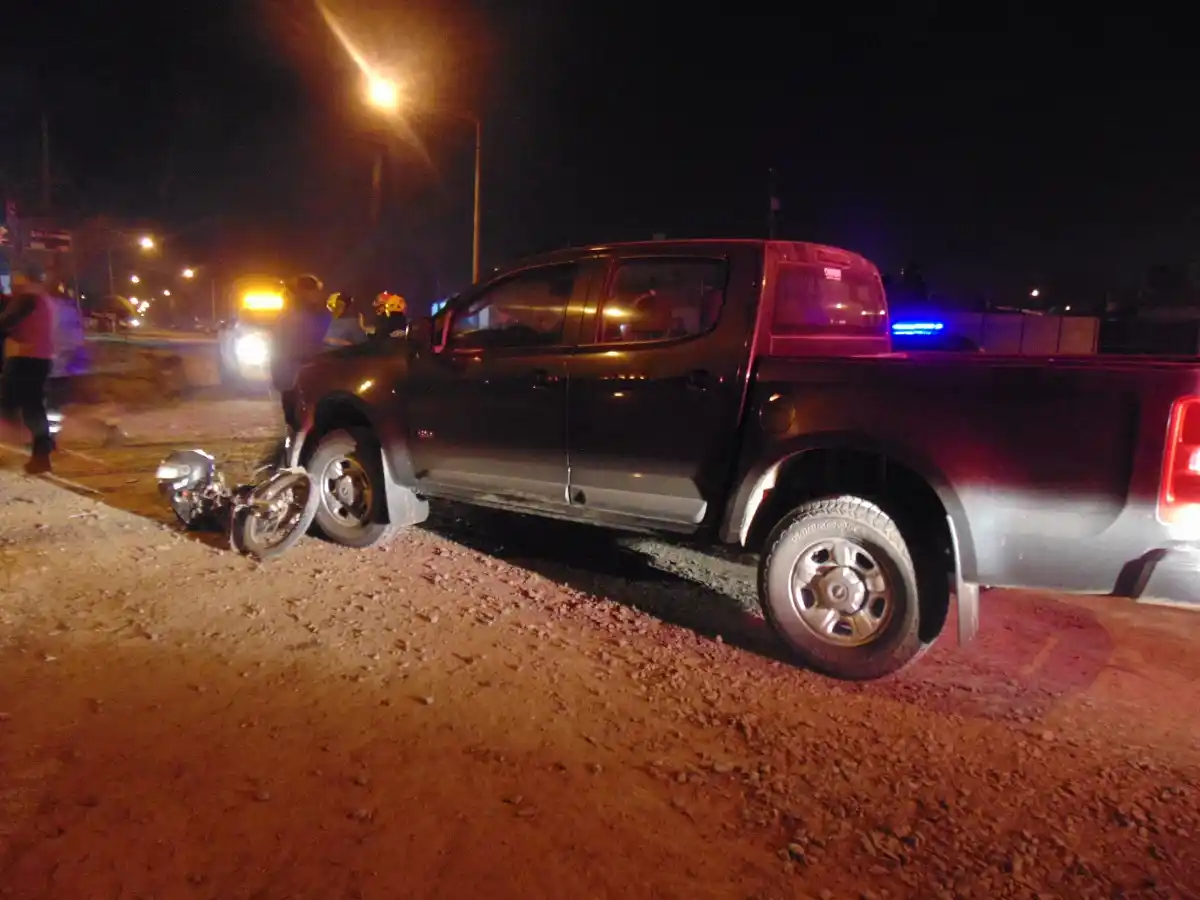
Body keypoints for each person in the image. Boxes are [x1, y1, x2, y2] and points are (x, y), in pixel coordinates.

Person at [0, 262, 58, 473]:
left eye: (16, 278)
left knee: (17, 405)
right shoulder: (41, 299)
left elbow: (7, 322)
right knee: (31, 406)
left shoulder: (27, 298)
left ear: (25, 278)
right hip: (38, 358)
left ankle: (41, 450)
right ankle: (41, 451)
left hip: (26, 358)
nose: (13, 283)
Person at [270, 274, 331, 432]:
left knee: (296, 413)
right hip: (299, 368)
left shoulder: (287, 315)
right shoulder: (313, 314)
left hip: (293, 370)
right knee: (302, 413)